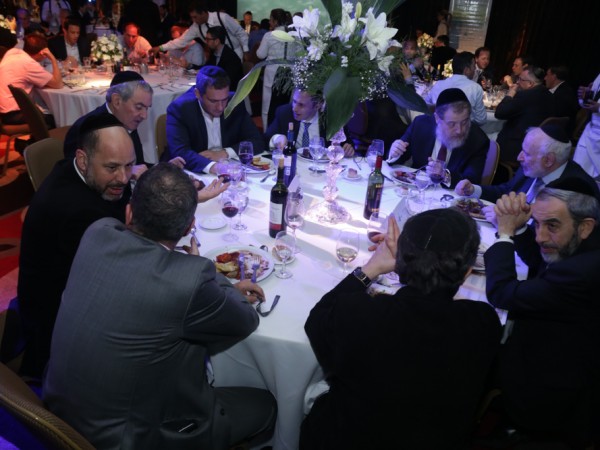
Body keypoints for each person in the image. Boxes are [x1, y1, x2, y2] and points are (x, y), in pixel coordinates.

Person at [43, 163, 277, 450]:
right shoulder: (189, 279)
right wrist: (203, 268)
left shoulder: (97, 231)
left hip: (58, 415)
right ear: (189, 227)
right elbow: (245, 320)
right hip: (129, 440)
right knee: (268, 402)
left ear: (129, 213)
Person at [301, 209, 501, 449]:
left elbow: (317, 320)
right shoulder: (484, 323)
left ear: (401, 259)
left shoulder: (360, 314)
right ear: (468, 271)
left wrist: (371, 268)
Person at [484, 178, 600, 446]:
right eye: (537, 223)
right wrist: (520, 226)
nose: (540, 236)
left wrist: (505, 234)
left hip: (550, 387)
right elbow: (541, 259)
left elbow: (502, 293)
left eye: (552, 226)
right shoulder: (583, 241)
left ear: (585, 226)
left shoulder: (582, 273)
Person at [455, 125, 595, 204]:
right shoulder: (532, 168)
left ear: (548, 160)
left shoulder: (576, 191)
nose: (519, 158)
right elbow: (507, 191)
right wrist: (473, 190)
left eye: (527, 153)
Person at [165, 65, 264, 174]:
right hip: (195, 172)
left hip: (229, 165)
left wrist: (224, 153)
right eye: (213, 101)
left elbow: (257, 141)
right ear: (198, 94)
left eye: (224, 100)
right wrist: (214, 167)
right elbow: (180, 152)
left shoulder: (234, 102)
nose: (220, 107)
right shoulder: (180, 109)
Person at [388, 88, 489, 187]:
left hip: (451, 195)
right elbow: (399, 157)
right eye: (452, 124)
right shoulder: (420, 124)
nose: (459, 130)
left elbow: (472, 181)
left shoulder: (478, 140)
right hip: (417, 190)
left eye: (464, 122)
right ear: (437, 118)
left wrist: (445, 176)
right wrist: (394, 153)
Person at [63, 71, 151, 164]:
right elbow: (77, 172)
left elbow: (139, 164)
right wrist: (131, 170)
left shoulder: (127, 119)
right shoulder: (86, 130)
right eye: (139, 107)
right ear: (117, 101)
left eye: (146, 108)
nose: (144, 116)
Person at [265, 88, 355, 156]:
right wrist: (277, 139)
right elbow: (266, 139)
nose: (294, 109)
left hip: (321, 168)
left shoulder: (332, 118)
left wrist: (348, 149)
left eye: (301, 105)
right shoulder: (285, 113)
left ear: (317, 105)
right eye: (294, 102)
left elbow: (346, 144)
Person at [0, 32, 63, 126]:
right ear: (43, 53)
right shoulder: (29, 64)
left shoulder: (12, 52)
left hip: (3, 110)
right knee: (55, 119)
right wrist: (53, 59)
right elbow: (58, 84)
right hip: (13, 114)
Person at [495, 65, 555, 162]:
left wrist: (510, 94)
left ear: (530, 83)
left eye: (521, 79)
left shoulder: (525, 96)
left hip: (516, 147)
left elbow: (499, 113)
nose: (517, 82)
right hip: (538, 147)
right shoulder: (550, 95)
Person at [154, 0, 249, 62]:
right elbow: (181, 41)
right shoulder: (196, 27)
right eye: (192, 17)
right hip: (217, 57)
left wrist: (245, 51)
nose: (193, 20)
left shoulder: (222, 17)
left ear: (203, 13)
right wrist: (161, 48)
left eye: (195, 17)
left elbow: (240, 32)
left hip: (235, 53)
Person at [256, 8, 297, 129]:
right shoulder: (294, 35)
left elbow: (260, 54)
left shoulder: (269, 36)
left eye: (270, 19)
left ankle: (268, 132)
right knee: (289, 105)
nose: (269, 22)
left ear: (275, 21)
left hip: (273, 73)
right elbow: (301, 55)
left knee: (268, 106)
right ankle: (288, 132)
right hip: (291, 72)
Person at [425, 51, 487, 125]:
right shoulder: (476, 88)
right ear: (466, 70)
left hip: (437, 127)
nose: (475, 69)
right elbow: (481, 119)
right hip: (461, 129)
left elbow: (426, 106)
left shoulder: (438, 84)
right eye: (473, 66)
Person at [573, 72, 600, 177]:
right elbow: (590, 102)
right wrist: (585, 95)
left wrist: (599, 108)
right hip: (591, 131)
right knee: (578, 170)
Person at [205, 25, 243, 90]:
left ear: (216, 41)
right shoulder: (214, 53)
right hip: (217, 87)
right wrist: (191, 66)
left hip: (229, 91)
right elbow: (206, 68)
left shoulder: (231, 57)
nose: (206, 42)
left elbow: (227, 79)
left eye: (208, 39)